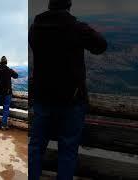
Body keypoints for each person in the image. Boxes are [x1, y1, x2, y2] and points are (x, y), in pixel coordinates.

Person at [28, 0, 107, 179]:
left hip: (42, 96)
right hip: (71, 99)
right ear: (69, 5)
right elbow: (101, 46)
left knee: (36, 147)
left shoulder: (35, 28)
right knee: (68, 149)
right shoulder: (77, 28)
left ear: (49, 5)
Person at [0, 56, 18, 130]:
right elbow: (16, 76)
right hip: (7, 93)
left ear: (0, 62)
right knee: (6, 109)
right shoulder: (8, 70)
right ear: (6, 62)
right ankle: (3, 125)